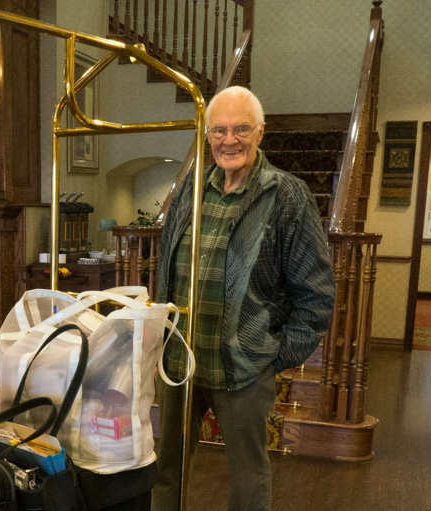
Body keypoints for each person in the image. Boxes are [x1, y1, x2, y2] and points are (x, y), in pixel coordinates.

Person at [151, 86, 336, 511]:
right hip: (179, 361)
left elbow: (318, 296)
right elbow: (167, 265)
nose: (228, 139)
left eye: (240, 129)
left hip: (243, 366)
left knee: (248, 477)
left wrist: (272, 354)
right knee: (167, 469)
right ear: (207, 133)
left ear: (261, 133)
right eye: (218, 130)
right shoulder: (188, 190)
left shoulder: (287, 196)